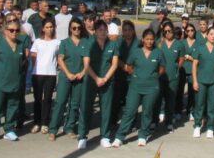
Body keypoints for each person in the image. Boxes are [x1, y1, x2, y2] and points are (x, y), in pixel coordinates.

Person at [113, 28, 164, 147]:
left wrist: (154, 76)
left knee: (147, 112)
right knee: (129, 111)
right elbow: (129, 66)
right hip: (135, 86)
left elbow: (162, 67)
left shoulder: (158, 53)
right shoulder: (136, 52)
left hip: (152, 87)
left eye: (152, 39)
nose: (150, 42)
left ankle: (143, 135)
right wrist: (135, 74)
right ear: (143, 40)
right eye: (147, 39)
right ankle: (120, 136)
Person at [0, 18, 26, 143]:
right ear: (5, 31)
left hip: (15, 81)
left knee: (12, 107)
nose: (14, 32)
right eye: (11, 30)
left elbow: (22, 61)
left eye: (17, 30)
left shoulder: (20, 45)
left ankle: (9, 129)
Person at [48, 18, 89, 141]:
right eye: (74, 28)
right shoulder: (64, 43)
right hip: (66, 76)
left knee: (74, 104)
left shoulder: (85, 42)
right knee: (60, 102)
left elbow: (87, 60)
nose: (77, 30)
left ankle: (69, 127)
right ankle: (53, 129)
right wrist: (68, 73)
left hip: (79, 77)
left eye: (79, 28)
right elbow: (60, 59)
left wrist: (82, 72)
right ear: (70, 29)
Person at [80, 20, 119, 149]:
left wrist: (105, 78)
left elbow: (114, 64)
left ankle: (105, 136)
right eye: (100, 30)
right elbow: (86, 64)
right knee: (86, 107)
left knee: (106, 109)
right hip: (91, 80)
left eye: (104, 30)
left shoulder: (113, 45)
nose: (103, 32)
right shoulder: (88, 44)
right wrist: (97, 78)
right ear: (95, 31)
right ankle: (82, 136)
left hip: (107, 81)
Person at [192, 26, 214, 139]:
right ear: (207, 35)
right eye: (211, 34)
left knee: (212, 106)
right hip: (201, 81)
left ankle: (210, 128)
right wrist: (195, 81)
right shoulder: (200, 48)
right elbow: (194, 65)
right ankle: (197, 126)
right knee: (199, 105)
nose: (213, 36)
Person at [30, 19, 60, 134]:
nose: (49, 29)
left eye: (51, 27)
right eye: (47, 27)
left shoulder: (57, 42)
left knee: (47, 99)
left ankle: (45, 123)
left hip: (51, 73)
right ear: (43, 29)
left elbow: (60, 57)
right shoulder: (37, 42)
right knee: (37, 99)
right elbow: (33, 55)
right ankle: (36, 122)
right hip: (37, 73)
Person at [158, 22, 183, 131]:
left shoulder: (179, 44)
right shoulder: (160, 43)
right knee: (158, 98)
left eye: (170, 31)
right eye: (166, 31)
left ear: (173, 30)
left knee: (171, 99)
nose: (168, 33)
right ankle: (155, 120)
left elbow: (181, 58)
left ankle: (169, 121)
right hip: (161, 76)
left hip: (173, 76)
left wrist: (177, 68)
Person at [179, 23, 197, 118]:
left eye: (192, 30)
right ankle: (178, 111)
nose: (190, 32)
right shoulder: (182, 42)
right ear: (185, 32)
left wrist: (191, 58)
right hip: (182, 70)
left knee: (191, 92)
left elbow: (199, 59)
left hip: (192, 71)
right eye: (188, 31)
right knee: (180, 91)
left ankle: (190, 111)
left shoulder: (198, 43)